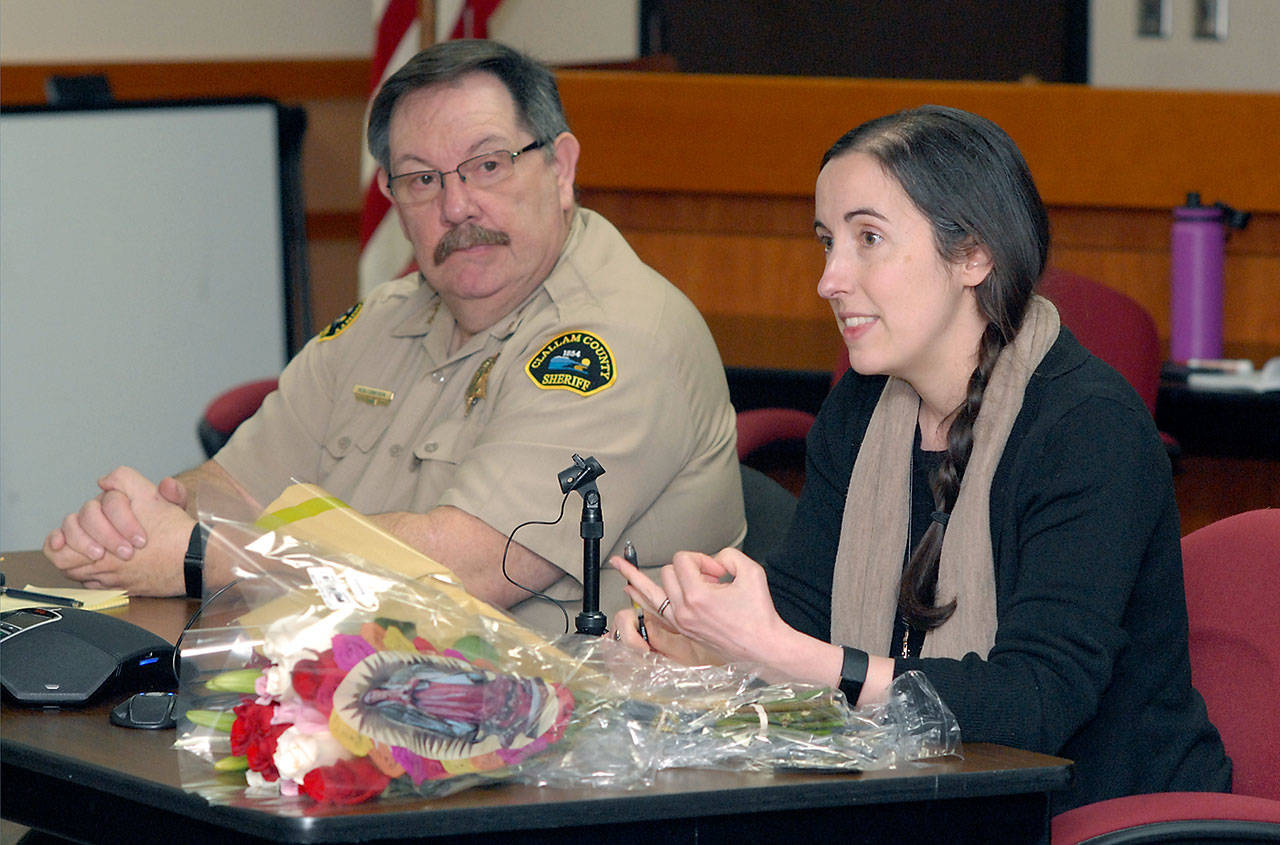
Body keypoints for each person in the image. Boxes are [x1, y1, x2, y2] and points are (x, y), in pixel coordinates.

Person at [611, 105, 1230, 814]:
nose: (830, 279)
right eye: (826, 242)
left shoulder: (1089, 428)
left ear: (973, 253)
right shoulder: (861, 408)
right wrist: (703, 639)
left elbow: (1037, 700)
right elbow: (806, 609)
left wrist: (780, 654)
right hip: (913, 794)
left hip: (1094, 809)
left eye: (867, 238)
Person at [43, 40, 746, 634]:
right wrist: (146, 518)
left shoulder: (615, 341)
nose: (457, 205)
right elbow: (235, 485)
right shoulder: (385, 317)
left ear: (559, 170)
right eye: (421, 179)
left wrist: (201, 554)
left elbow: (471, 568)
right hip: (367, 694)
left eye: (488, 165)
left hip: (584, 742)